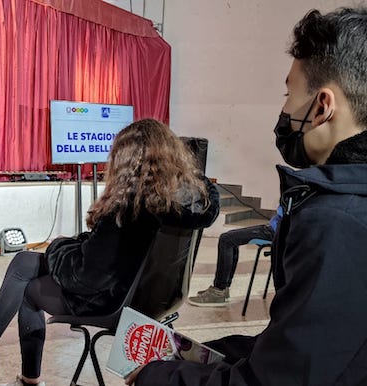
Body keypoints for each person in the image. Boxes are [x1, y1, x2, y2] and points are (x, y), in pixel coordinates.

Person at [126, 7, 367, 385]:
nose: (284, 110)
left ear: (323, 106)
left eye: (289, 93)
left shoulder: (336, 222)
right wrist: (210, 356)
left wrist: (159, 377)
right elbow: (308, 347)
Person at [0, 119, 220, 386]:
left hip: (112, 301)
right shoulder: (188, 200)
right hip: (153, 298)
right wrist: (77, 246)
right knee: (24, 262)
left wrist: (58, 246)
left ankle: (11, 371)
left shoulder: (128, 207)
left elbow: (85, 277)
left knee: (28, 288)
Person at [188, 206, 282, 307]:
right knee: (229, 238)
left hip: (276, 231)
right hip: (276, 228)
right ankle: (224, 288)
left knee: (226, 240)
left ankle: (219, 291)